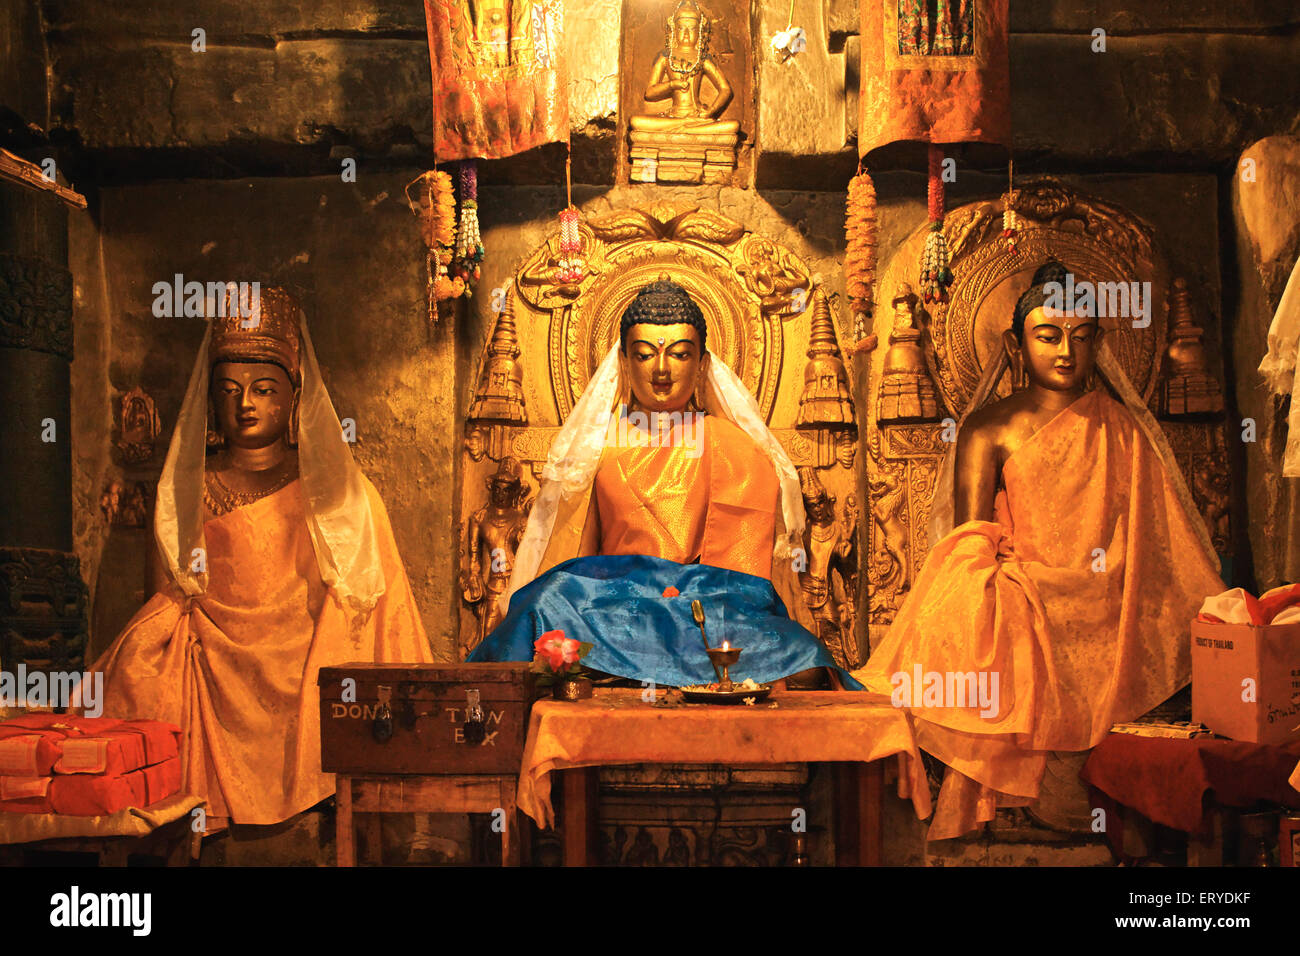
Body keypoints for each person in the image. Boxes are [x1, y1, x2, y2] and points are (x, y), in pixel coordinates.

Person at [853, 261, 1224, 839]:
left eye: (1080, 337)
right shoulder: (988, 429)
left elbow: (1160, 540)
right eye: (1048, 336)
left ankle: (1080, 785)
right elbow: (969, 540)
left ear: (1098, 342)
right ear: (1014, 343)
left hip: (1111, 602)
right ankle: (1022, 783)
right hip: (1025, 595)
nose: (1065, 352)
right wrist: (1008, 583)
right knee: (974, 602)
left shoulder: (1122, 430)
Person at [89, 287, 433, 825]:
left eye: (263, 388)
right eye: (229, 390)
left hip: (310, 672)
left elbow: (371, 597)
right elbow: (169, 596)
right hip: (212, 674)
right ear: (209, 398)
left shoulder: (337, 490)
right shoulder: (187, 489)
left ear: (294, 398)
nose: (245, 403)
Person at [469, 278, 857, 688]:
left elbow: (747, 584)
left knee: (806, 661)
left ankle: (625, 672)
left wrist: (687, 593)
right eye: (644, 354)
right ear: (623, 361)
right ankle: (627, 670)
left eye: (679, 354)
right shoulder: (597, 445)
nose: (660, 370)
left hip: (702, 612)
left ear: (702, 364)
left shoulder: (732, 445)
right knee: (549, 603)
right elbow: (582, 561)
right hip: (617, 610)